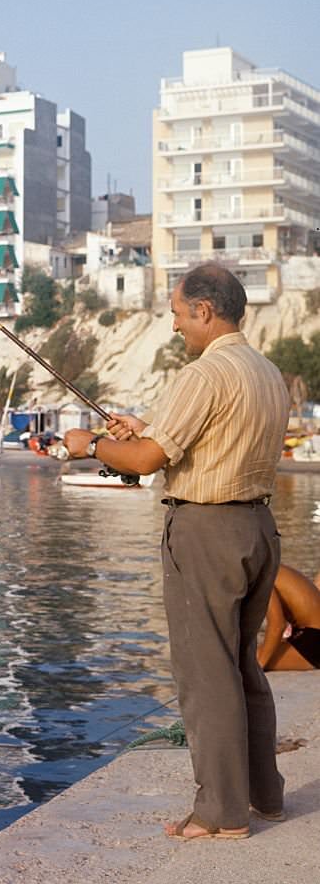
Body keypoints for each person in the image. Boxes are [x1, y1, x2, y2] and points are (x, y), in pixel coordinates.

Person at [65, 263, 290, 841]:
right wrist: (142, 428)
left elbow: (143, 462)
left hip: (207, 531)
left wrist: (89, 444)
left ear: (204, 311)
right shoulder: (265, 372)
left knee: (205, 673)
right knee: (241, 667)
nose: (172, 325)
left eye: (175, 312)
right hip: (258, 528)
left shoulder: (204, 372)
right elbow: (200, 440)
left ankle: (220, 814)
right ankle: (265, 796)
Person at [257, 564, 320, 671]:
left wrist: (259, 666)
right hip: (306, 633)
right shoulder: (267, 565)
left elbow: (278, 626)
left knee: (251, 659)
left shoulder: (260, 576)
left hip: (314, 639)